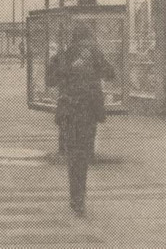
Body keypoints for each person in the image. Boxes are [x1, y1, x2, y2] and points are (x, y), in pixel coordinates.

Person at [56, 26, 114, 217]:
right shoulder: (95, 52)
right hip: (88, 111)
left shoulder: (66, 53)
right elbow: (110, 73)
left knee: (74, 154)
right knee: (83, 153)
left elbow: (52, 78)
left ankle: (76, 197)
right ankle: (79, 197)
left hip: (70, 110)